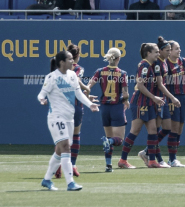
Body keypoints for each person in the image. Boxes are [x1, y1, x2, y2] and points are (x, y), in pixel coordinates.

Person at [38, 51, 99, 191]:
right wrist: (42, 100)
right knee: (66, 146)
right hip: (56, 117)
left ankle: (47, 180)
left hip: (69, 118)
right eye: (70, 59)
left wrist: (90, 105)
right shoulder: (52, 77)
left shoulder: (72, 75)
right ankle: (70, 183)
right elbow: (41, 94)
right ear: (61, 62)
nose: (73, 61)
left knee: (60, 151)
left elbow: (78, 93)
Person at [118, 43, 168, 169]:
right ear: (148, 53)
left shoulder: (152, 65)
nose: (158, 54)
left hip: (149, 103)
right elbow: (140, 86)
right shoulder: (144, 66)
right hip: (140, 102)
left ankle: (152, 161)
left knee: (153, 131)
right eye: (156, 52)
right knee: (135, 131)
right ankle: (123, 160)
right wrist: (154, 97)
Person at [137, 37, 181, 167]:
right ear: (160, 51)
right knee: (153, 130)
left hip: (162, 99)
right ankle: (158, 159)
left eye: (170, 50)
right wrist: (172, 97)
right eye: (167, 50)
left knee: (167, 128)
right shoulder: (156, 63)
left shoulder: (164, 62)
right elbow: (159, 84)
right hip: (156, 99)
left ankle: (147, 152)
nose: (169, 52)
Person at [55, 44, 95, 178]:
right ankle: (72, 165)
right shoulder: (78, 68)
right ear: (77, 56)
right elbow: (76, 81)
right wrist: (87, 89)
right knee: (76, 135)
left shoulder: (58, 68)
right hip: (74, 106)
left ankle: (60, 165)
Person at [87, 48, 129, 172]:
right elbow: (125, 93)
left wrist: (86, 95)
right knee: (118, 140)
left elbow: (89, 85)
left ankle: (108, 165)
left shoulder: (100, 71)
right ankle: (109, 141)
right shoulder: (122, 73)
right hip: (116, 107)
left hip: (104, 108)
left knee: (109, 138)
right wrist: (126, 100)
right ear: (118, 58)